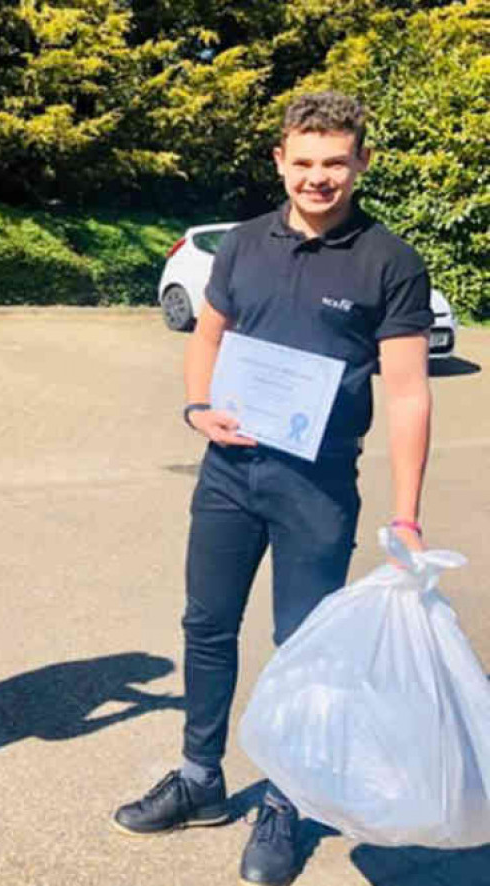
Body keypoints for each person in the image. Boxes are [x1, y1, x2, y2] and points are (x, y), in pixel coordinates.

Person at [111, 92, 433, 886]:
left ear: (359, 162)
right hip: (228, 472)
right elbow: (208, 335)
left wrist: (406, 513)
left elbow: (407, 393)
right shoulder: (243, 244)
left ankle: (288, 800)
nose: (316, 178)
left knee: (303, 650)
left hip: (316, 487)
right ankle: (198, 778)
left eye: (333, 163)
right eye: (303, 163)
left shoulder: (389, 261)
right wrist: (195, 408)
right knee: (206, 625)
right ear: (279, 162)